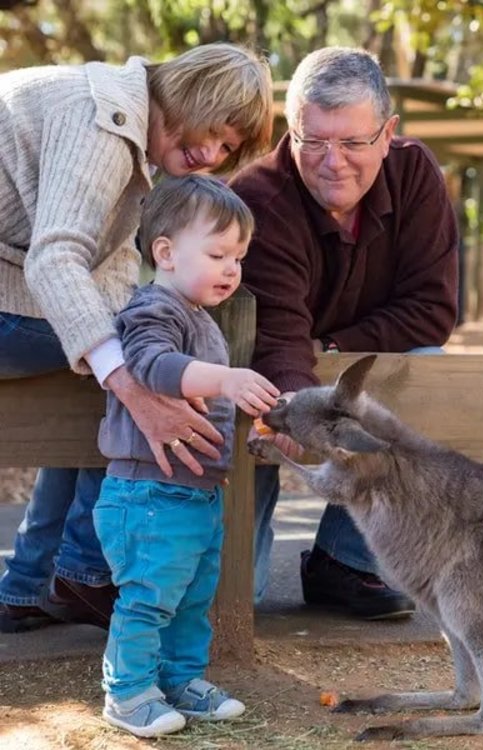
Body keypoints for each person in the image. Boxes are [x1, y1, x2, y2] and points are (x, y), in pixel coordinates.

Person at [0, 44, 274, 634]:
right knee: (137, 366)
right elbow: (57, 260)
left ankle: (45, 578)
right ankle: (82, 572)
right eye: (212, 129)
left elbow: (115, 272)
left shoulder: (138, 140)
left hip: (14, 284)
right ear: (186, 93)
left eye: (228, 147)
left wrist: (134, 350)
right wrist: (138, 385)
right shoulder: (101, 118)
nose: (210, 153)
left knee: (123, 349)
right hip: (14, 289)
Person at [229, 47, 458, 620]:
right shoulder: (257, 197)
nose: (334, 162)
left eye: (353, 142)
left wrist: (332, 348)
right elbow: (278, 335)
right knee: (239, 596)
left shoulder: (415, 173)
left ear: (387, 134)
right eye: (314, 141)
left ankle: (346, 559)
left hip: (350, 360)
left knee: (424, 362)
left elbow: (432, 309)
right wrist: (295, 414)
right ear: (291, 128)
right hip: (262, 371)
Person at [94, 175, 279, 738]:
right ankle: (126, 694)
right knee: (149, 596)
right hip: (147, 493)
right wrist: (227, 379)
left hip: (195, 492)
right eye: (218, 253)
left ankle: (179, 680)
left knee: (194, 595)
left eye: (239, 257)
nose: (231, 268)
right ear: (166, 253)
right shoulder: (154, 307)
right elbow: (151, 366)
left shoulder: (201, 317)